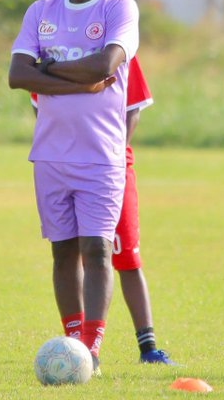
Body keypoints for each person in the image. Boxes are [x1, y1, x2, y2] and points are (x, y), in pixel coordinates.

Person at [9, 0, 138, 373]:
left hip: (101, 155)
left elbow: (106, 65)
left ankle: (93, 347)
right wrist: (76, 78)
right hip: (49, 156)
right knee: (62, 252)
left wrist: (49, 67)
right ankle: (71, 340)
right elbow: (17, 74)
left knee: (97, 250)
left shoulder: (118, 7)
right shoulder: (41, 11)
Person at [32, 56, 178, 364]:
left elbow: (133, 109)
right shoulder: (54, 49)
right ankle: (78, 346)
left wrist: (108, 156)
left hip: (110, 169)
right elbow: (41, 106)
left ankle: (147, 347)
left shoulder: (121, 48)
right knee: (70, 253)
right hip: (63, 167)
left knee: (123, 257)